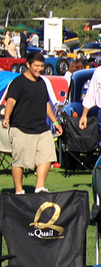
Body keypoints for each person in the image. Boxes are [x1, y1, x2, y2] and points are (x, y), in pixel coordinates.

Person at [2, 52, 62, 193]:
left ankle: (40, 188)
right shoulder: (18, 83)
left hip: (42, 128)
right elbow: (10, 101)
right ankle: (19, 191)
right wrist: (7, 118)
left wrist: (55, 122)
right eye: (36, 66)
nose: (39, 69)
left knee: (48, 156)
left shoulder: (42, 83)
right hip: (21, 128)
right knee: (19, 161)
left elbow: (46, 103)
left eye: (41, 66)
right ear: (28, 65)